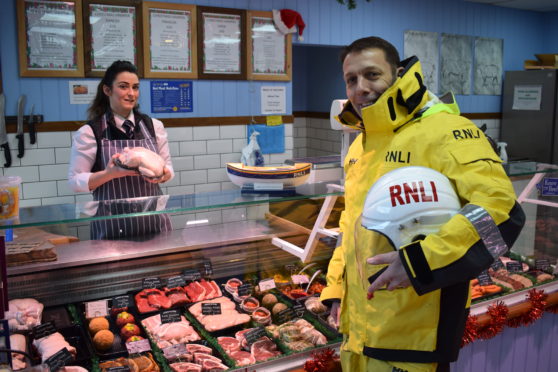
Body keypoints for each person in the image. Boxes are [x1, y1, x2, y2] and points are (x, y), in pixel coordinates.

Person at [319, 36, 525, 372]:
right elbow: (352, 225)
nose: (360, 87)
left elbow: (500, 210)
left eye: (372, 74)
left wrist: (419, 261)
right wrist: (336, 290)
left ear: (399, 73)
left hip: (416, 335)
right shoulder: (360, 145)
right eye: (351, 79)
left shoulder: (446, 130)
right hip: (357, 332)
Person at [68, 60, 174, 240]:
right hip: (112, 225)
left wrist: (163, 175)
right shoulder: (90, 132)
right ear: (107, 90)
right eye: (123, 87)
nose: (131, 93)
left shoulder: (154, 126)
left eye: (135, 87)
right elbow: (74, 181)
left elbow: (169, 168)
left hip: (153, 221)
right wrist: (111, 173)